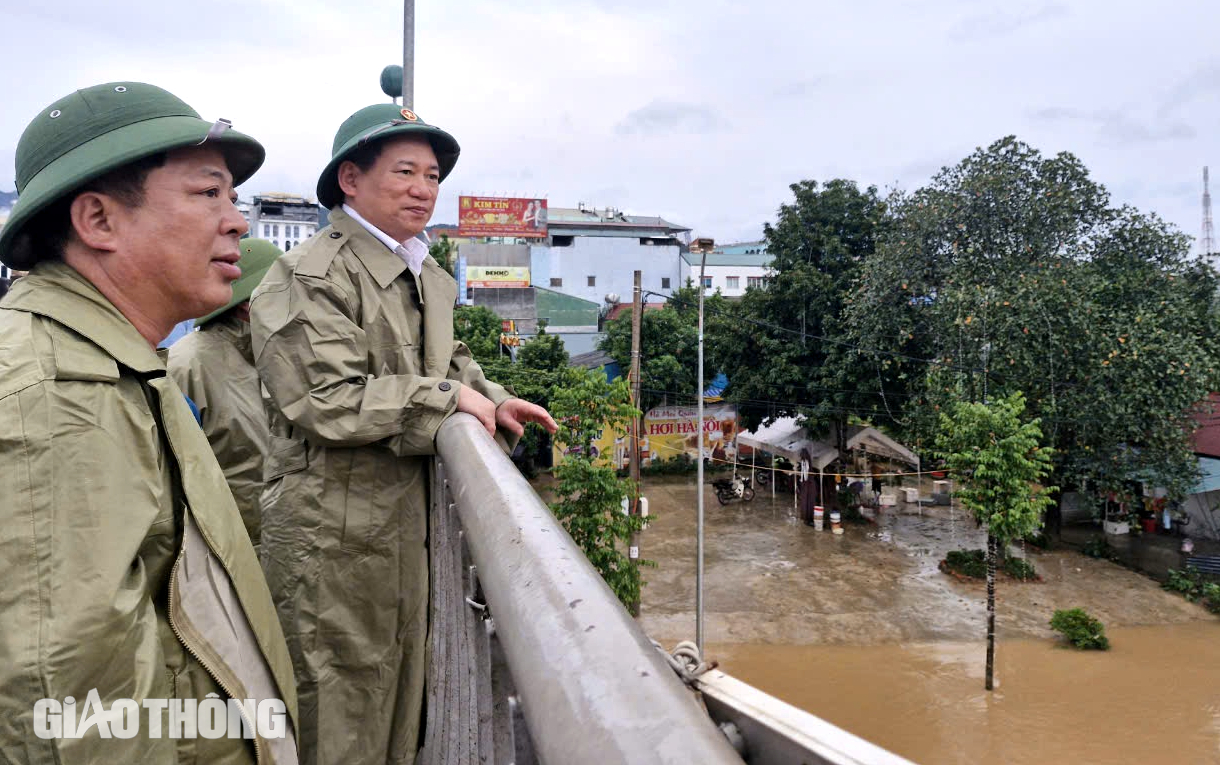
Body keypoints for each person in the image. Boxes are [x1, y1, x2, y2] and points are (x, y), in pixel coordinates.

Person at [0, 82, 299, 763]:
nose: (238, 222)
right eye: (207, 194)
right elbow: (66, 713)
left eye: (234, 197)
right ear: (98, 221)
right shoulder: (57, 395)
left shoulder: (119, 363)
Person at [250, 104, 556, 764]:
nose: (425, 187)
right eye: (407, 172)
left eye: (434, 175)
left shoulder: (425, 276)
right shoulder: (310, 275)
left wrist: (493, 400)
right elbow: (325, 398)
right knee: (335, 713)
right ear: (351, 180)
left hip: (401, 533)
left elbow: (449, 361)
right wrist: (449, 398)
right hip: (332, 539)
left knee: (398, 708)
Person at [168, 238, 282, 547]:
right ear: (248, 302)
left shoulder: (283, 354)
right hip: (224, 553)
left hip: (286, 548)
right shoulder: (189, 364)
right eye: (285, 287)